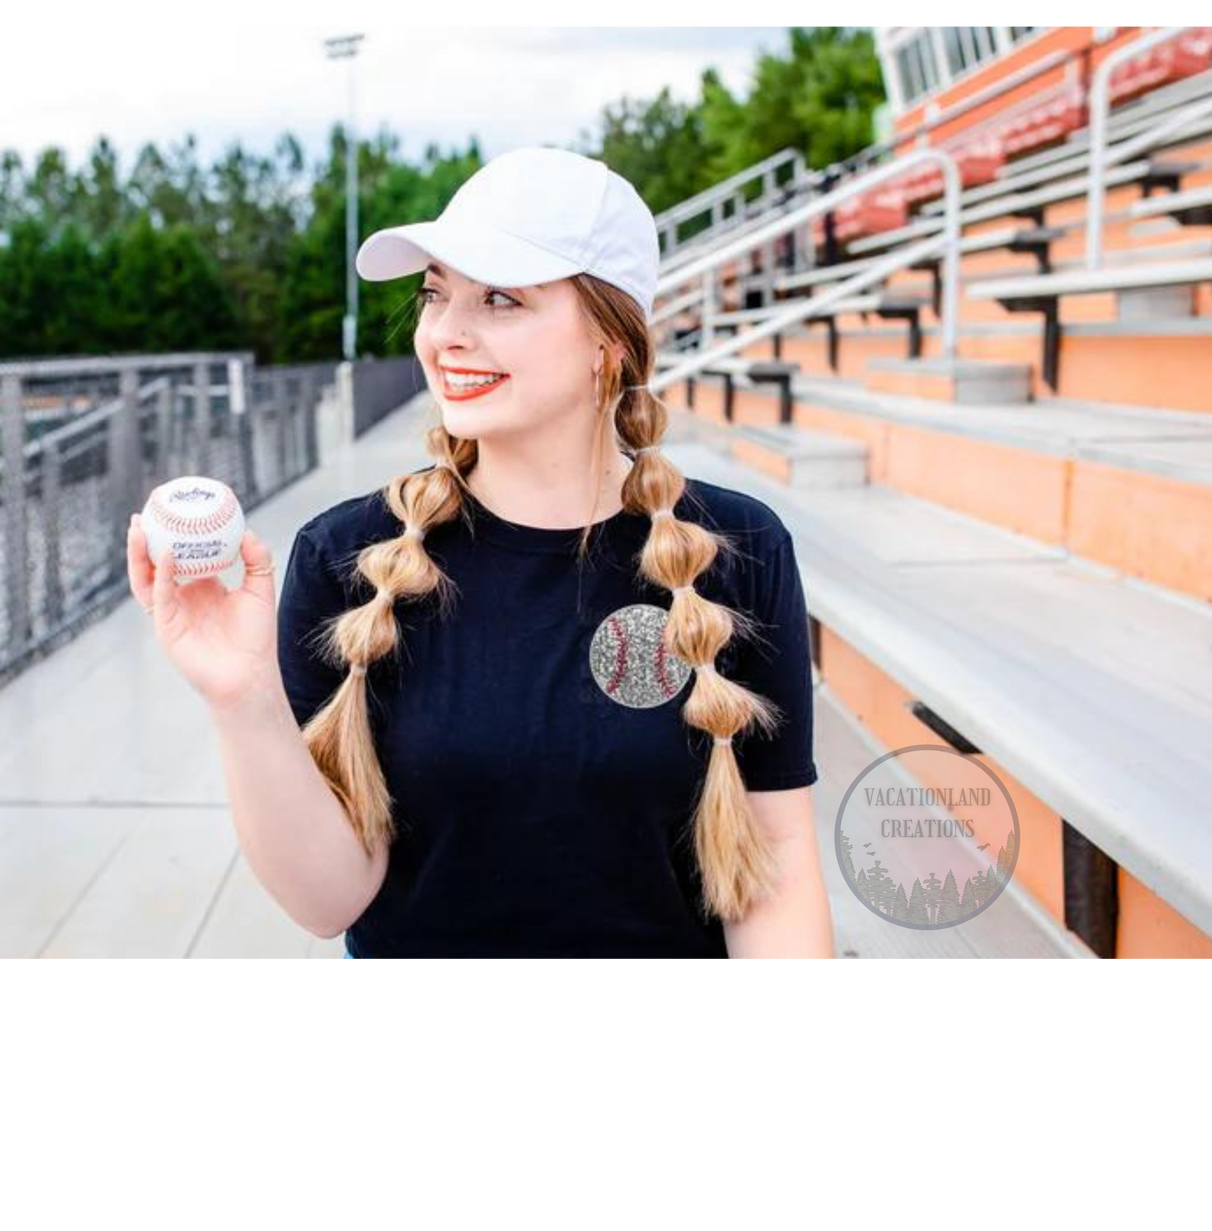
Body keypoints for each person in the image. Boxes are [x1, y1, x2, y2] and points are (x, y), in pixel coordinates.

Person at [129, 145, 834, 962]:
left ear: (610, 340)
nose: (444, 336)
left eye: (499, 298)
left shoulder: (738, 550)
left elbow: (774, 874)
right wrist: (241, 698)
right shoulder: (346, 556)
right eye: (435, 294)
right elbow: (330, 901)